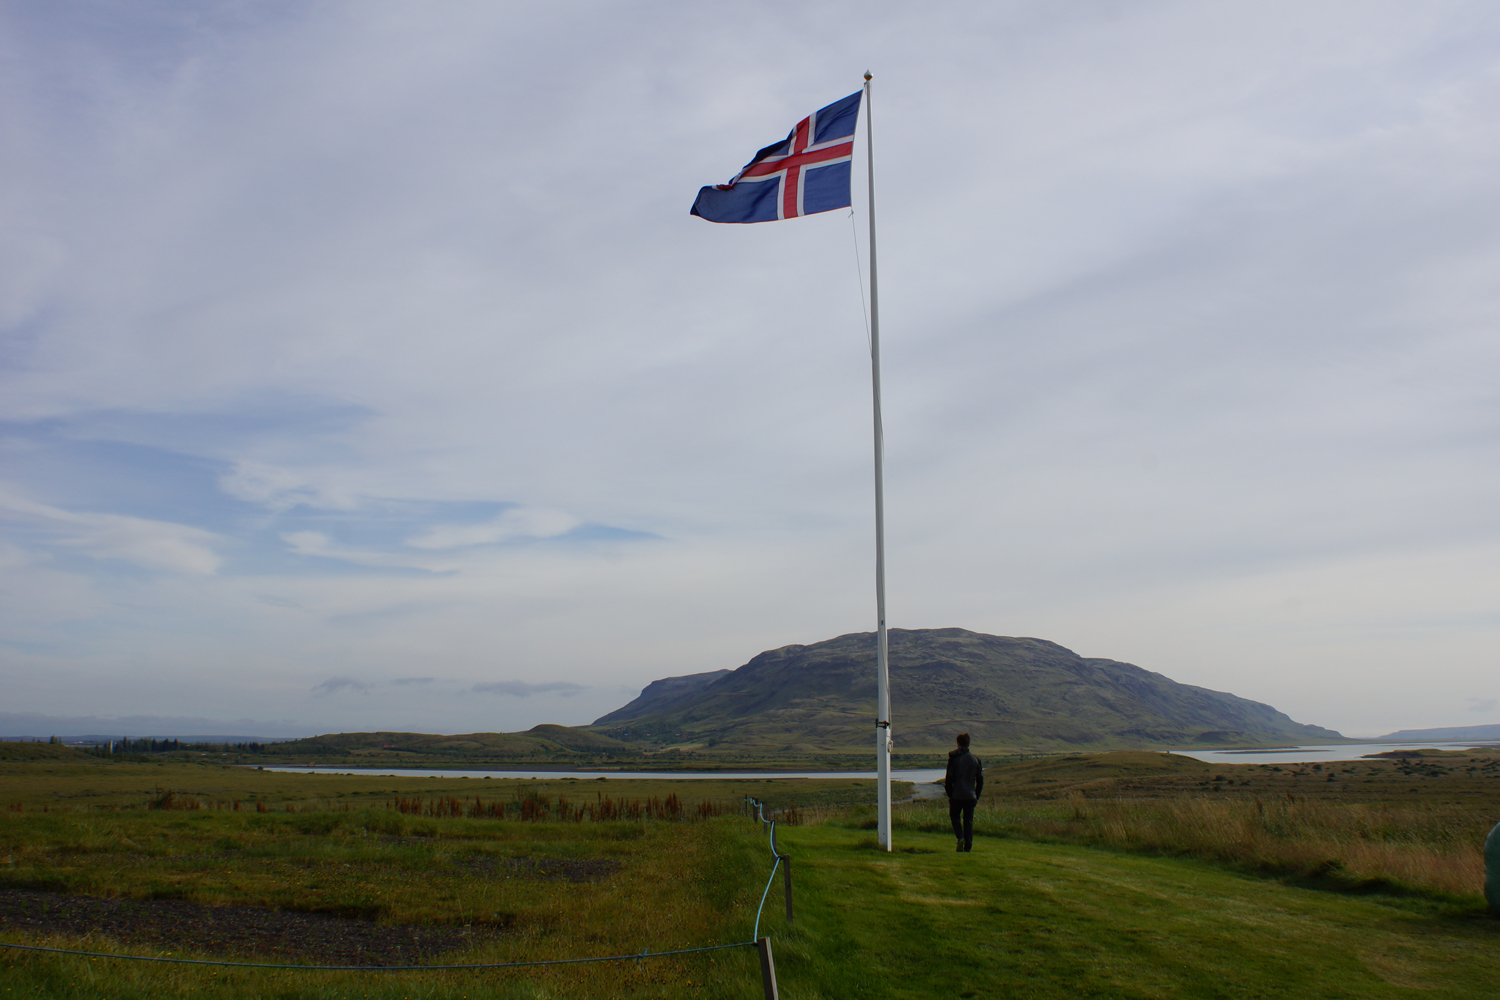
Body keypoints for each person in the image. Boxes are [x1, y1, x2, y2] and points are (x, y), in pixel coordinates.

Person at [944, 732, 983, 852]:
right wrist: (977, 795)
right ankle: (968, 847)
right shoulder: (976, 760)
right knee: (968, 821)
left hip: (957, 795)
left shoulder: (953, 759)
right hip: (971, 796)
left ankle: (960, 837)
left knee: (954, 816)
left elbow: (949, 779)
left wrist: (950, 794)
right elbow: (980, 780)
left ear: (958, 744)